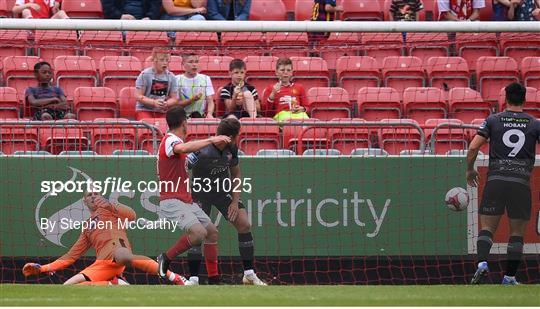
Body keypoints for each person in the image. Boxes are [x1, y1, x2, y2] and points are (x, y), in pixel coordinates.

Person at [22, 191, 190, 285]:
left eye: (96, 193)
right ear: (84, 201)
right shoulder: (87, 227)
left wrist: (110, 205)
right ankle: (113, 284)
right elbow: (71, 256)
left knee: (124, 256)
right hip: (102, 264)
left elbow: (131, 215)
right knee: (68, 287)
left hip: (118, 253)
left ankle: (175, 277)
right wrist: (43, 268)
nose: (93, 196)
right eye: (89, 195)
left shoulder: (111, 209)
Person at [467, 82, 540, 285]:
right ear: (525, 100)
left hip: (496, 180)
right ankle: (509, 277)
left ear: (505, 99)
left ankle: (482, 264)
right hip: (520, 183)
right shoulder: (534, 123)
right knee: (516, 233)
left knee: (487, 229)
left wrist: (469, 170)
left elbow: (473, 148)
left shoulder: (493, 120)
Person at [185, 117, 267, 285]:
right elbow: (182, 168)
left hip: (223, 193)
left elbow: (236, 174)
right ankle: (193, 278)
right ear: (231, 136)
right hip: (200, 194)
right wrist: (187, 195)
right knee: (197, 232)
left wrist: (235, 201)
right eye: (237, 135)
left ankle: (249, 274)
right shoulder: (201, 151)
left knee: (244, 224)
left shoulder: (232, 149)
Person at [156, 106, 231, 284]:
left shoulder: (173, 143)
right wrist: (211, 140)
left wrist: (200, 154)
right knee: (198, 233)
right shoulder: (169, 140)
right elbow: (181, 148)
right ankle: (165, 258)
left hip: (185, 200)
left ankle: (214, 280)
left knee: (212, 232)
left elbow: (186, 162)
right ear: (184, 123)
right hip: (172, 200)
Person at [135, 48, 179, 120]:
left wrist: (167, 103)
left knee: (166, 126)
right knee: (148, 126)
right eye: (162, 60)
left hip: (162, 111)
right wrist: (153, 102)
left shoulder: (171, 77)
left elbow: (174, 98)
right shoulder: (145, 74)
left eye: (167, 60)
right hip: (144, 110)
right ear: (154, 60)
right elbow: (138, 95)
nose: (165, 63)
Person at [263, 58, 309, 122]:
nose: (285, 73)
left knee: (308, 122)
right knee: (289, 122)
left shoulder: (299, 87)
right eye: (282, 70)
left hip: (299, 114)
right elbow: (266, 113)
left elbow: (307, 107)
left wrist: (302, 109)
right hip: (281, 115)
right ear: (276, 72)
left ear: (292, 72)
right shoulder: (270, 88)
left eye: (288, 70)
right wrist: (273, 94)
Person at [176, 53, 216, 119]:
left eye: (196, 62)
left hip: (201, 117)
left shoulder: (206, 78)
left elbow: (210, 101)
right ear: (183, 64)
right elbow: (176, 104)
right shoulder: (177, 79)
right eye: (191, 62)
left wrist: (209, 114)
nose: (194, 65)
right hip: (182, 117)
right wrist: (191, 100)